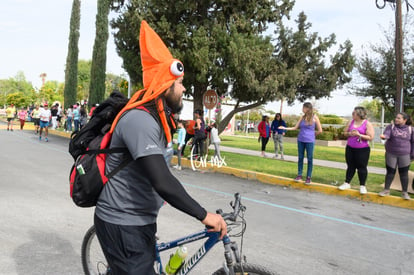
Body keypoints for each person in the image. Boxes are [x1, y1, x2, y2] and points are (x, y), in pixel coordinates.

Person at [94, 20, 226, 274]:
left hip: (140, 220)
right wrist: (204, 215)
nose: (184, 88)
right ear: (165, 85)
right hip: (122, 222)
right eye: (180, 83)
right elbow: (162, 180)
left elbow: (154, 171)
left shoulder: (156, 118)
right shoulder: (140, 120)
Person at [279, 102, 323, 185]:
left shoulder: (315, 117)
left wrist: (313, 135)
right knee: (300, 157)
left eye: (303, 108)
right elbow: (295, 127)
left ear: (307, 108)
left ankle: (308, 177)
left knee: (310, 158)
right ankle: (299, 175)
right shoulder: (302, 117)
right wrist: (284, 128)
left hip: (310, 141)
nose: (302, 109)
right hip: (301, 140)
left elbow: (320, 130)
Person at [338, 106, 374, 194]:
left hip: (362, 149)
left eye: (354, 113)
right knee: (350, 166)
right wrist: (349, 133)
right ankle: (347, 182)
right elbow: (344, 133)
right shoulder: (350, 122)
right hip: (350, 147)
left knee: (362, 167)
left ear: (359, 114)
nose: (352, 115)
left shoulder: (367, 124)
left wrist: (359, 135)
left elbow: (371, 137)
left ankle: (362, 185)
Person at [378, 112, 414, 199]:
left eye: (399, 118)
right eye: (396, 118)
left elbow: (413, 143)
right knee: (390, 172)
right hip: (391, 153)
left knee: (404, 174)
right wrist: (384, 137)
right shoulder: (391, 127)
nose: (396, 119)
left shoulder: (411, 129)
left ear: (404, 120)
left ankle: (404, 193)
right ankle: (386, 190)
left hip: (405, 154)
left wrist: (412, 155)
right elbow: (387, 134)